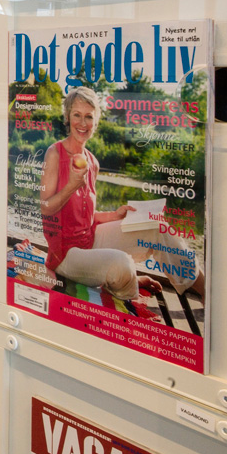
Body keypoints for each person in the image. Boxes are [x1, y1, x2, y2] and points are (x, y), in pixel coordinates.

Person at [39, 87, 163, 309]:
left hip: (90, 241)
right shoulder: (54, 153)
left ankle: (202, 288)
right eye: (77, 115)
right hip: (65, 255)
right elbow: (45, 209)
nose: (82, 123)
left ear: (95, 122)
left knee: (156, 227)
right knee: (122, 264)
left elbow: (85, 217)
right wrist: (71, 186)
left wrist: (115, 215)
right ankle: (128, 284)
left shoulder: (92, 162)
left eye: (89, 117)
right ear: (67, 117)